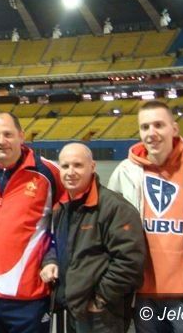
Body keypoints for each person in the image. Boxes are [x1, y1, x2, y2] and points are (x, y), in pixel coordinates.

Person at [107, 100, 183, 333]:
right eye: (145, 127)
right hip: (143, 297)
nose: (151, 133)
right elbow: (110, 228)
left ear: (174, 128)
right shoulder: (125, 172)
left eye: (159, 125)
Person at [0, 112, 63, 333]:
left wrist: (52, 256)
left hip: (27, 297)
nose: (2, 141)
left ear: (21, 135)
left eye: (8, 134)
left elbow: (72, 217)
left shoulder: (47, 172)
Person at [41, 143, 145, 333]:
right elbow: (55, 243)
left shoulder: (116, 208)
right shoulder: (62, 207)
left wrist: (100, 300)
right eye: (65, 166)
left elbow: (130, 262)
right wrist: (50, 261)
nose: (71, 172)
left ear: (92, 166)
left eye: (78, 165)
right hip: (71, 308)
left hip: (102, 316)